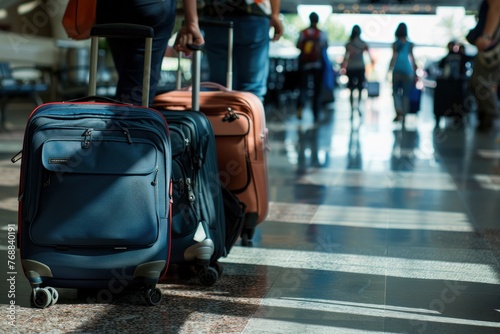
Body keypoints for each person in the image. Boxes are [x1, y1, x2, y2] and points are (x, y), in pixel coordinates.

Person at [95, 0, 204, 106]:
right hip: (150, 7)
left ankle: (120, 120)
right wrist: (192, 22)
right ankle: (125, 122)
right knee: (136, 96)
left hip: (109, 7)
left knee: (130, 83)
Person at [201, 0, 283, 102]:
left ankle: (220, 116)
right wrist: (275, 14)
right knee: (251, 89)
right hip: (253, 13)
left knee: (220, 87)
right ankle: (248, 116)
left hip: (216, 14)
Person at [469, 0, 500, 132]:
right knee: (481, 81)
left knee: (481, 81)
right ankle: (487, 116)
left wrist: (486, 36)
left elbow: (496, 5)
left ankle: (490, 116)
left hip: (493, 41)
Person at [296, 12, 329, 122]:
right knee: (317, 90)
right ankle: (316, 113)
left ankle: (300, 108)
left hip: (304, 65)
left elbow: (298, 46)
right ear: (317, 20)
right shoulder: (321, 33)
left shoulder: (303, 33)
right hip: (317, 65)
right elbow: (325, 47)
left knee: (303, 88)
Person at [341, 25, 373, 119]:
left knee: (351, 89)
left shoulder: (349, 44)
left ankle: (352, 109)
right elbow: (370, 57)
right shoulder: (363, 43)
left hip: (351, 68)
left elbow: (346, 58)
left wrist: (343, 66)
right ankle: (358, 107)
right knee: (359, 89)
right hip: (360, 68)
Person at [388, 22, 417, 123]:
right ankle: (404, 115)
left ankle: (398, 112)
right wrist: (415, 69)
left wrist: (390, 68)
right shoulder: (410, 44)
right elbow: (412, 58)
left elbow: (394, 56)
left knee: (395, 92)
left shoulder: (395, 44)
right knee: (406, 94)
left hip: (397, 69)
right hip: (407, 70)